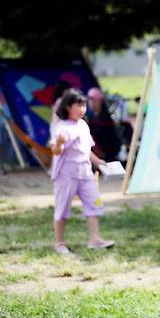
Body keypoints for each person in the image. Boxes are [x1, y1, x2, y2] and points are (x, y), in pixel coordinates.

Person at [50, 88, 115, 255]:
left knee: (94, 202)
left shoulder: (83, 125)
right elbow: (57, 151)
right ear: (67, 107)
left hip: (85, 172)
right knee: (63, 207)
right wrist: (58, 143)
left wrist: (98, 161)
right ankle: (59, 243)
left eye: (83, 105)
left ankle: (95, 239)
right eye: (77, 105)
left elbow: (86, 149)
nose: (82, 109)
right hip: (66, 174)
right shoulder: (62, 128)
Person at [86, 87, 122, 162]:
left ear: (100, 101)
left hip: (108, 156)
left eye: (93, 99)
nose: (91, 102)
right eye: (89, 99)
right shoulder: (91, 117)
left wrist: (103, 153)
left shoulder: (105, 119)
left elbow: (111, 141)